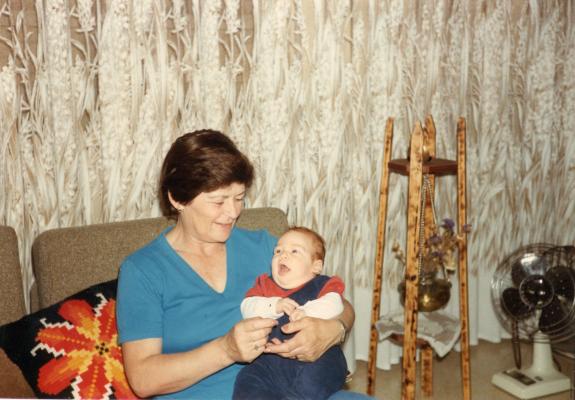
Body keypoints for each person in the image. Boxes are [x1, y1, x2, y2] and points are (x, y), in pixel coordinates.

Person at [116, 129, 355, 399]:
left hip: (294, 390)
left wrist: (334, 330)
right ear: (178, 199)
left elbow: (340, 303)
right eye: (218, 201)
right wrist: (226, 350)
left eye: (239, 198)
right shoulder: (143, 270)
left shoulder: (267, 248)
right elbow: (143, 379)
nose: (232, 212)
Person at [233, 226, 348, 400]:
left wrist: (307, 311)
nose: (283, 255)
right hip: (268, 363)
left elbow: (335, 304)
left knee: (315, 380)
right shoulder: (264, 285)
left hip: (317, 358)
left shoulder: (323, 284)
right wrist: (274, 305)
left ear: (316, 266)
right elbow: (247, 307)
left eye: (294, 251)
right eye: (278, 251)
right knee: (246, 380)